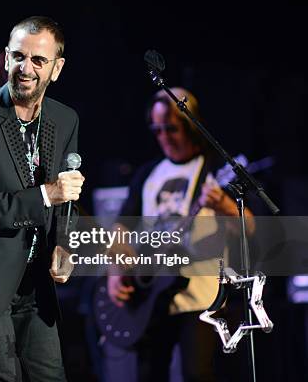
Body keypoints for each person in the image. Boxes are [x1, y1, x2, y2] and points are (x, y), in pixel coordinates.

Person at [0, 16, 85, 381]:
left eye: (38, 60)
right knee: (2, 376)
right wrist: (45, 194)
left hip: (36, 282)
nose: (26, 68)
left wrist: (65, 246)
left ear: (57, 68)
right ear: (6, 58)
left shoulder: (65, 119)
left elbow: (67, 198)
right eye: (19, 57)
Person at [104, 87, 255, 382]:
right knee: (149, 374)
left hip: (200, 296)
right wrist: (114, 272)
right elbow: (120, 229)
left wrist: (224, 204)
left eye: (171, 128)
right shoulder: (148, 174)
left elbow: (250, 227)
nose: (164, 137)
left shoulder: (215, 168)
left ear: (189, 123)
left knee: (197, 373)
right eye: (156, 129)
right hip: (150, 297)